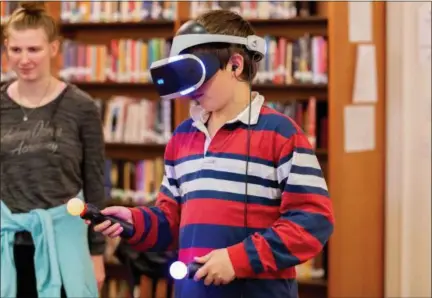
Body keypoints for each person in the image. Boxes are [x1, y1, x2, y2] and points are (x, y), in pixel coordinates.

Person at [91, 9, 334, 298]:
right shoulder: (183, 137)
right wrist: (137, 222)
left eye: (199, 75)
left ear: (235, 65)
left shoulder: (281, 134)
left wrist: (237, 260)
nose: (191, 88)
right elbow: (173, 221)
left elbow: (313, 222)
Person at [0, 2, 106, 298]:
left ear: (54, 48)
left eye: (34, 49)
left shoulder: (81, 106)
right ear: (6, 48)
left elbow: (95, 183)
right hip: (7, 247)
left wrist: (97, 253)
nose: (24, 59)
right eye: (16, 49)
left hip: (65, 246)